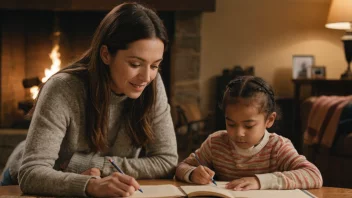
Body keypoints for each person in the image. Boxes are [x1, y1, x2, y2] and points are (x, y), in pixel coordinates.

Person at [0, 2, 178, 197]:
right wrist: (91, 184)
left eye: (155, 66)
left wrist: (94, 168)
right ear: (105, 54)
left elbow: (166, 161)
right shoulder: (63, 88)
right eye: (135, 64)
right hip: (21, 186)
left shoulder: (152, 85)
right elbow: (32, 174)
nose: (146, 77)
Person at [175, 76, 322, 190]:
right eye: (231, 124)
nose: (239, 133)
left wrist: (259, 181)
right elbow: (181, 167)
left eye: (249, 125)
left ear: (269, 120)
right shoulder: (215, 143)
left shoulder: (277, 147)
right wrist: (193, 174)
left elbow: (313, 175)